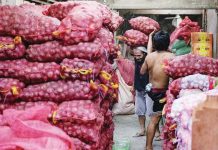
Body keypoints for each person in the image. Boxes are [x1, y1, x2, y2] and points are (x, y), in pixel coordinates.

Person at [140, 30, 174, 150]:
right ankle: (148, 146)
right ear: (168, 43)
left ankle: (149, 146)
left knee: (154, 119)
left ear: (155, 44)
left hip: (151, 91)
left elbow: (142, 72)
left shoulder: (149, 57)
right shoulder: (171, 57)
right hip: (163, 93)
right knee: (159, 120)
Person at [131, 46, 149, 137]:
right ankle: (142, 130)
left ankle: (157, 132)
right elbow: (136, 73)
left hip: (149, 90)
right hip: (139, 89)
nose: (137, 57)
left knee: (153, 113)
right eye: (135, 56)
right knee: (140, 111)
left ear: (145, 54)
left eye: (139, 55)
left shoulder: (149, 61)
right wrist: (133, 85)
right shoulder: (136, 61)